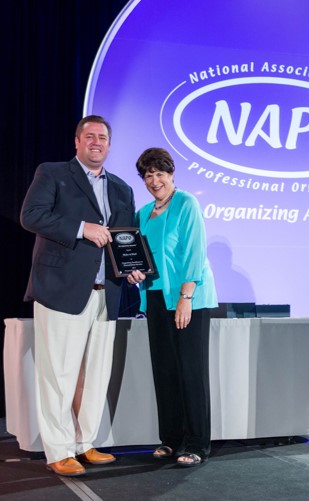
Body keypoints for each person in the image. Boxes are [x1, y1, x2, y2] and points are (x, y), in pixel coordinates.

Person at [20, 115, 135, 477]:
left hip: (107, 293)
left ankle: (86, 443)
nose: (96, 142)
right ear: (77, 142)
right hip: (61, 290)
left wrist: (132, 266)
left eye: (103, 137)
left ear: (110, 144)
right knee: (58, 373)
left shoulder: (121, 188)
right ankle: (58, 448)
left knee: (95, 374)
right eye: (90, 136)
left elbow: (124, 237)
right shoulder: (53, 173)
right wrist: (81, 228)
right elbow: (31, 216)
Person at [127, 147, 218, 467]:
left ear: (171, 174)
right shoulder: (142, 214)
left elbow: (194, 251)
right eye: (148, 175)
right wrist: (133, 272)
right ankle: (171, 439)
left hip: (187, 298)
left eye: (160, 174)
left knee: (191, 372)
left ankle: (197, 444)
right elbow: (140, 258)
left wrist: (186, 298)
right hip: (154, 297)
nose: (154, 181)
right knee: (165, 371)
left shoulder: (186, 203)